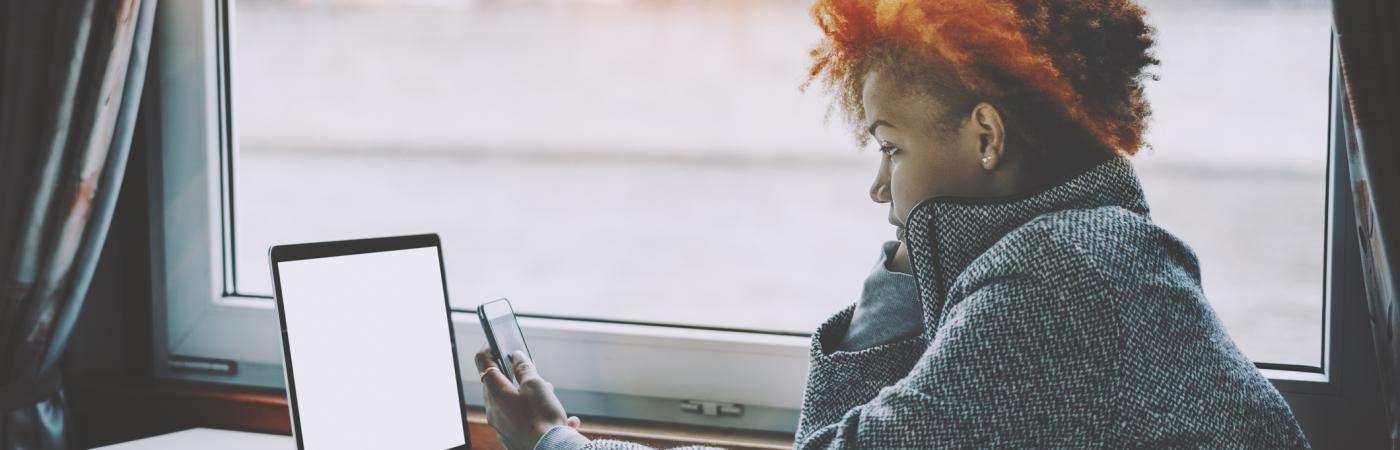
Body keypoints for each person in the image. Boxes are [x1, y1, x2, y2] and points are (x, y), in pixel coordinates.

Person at [473, 0, 1312, 448]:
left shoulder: (1056, 288)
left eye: (890, 146)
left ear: (985, 136)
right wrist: (906, 277)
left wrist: (557, 446)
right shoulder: (1102, 253)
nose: (880, 187)